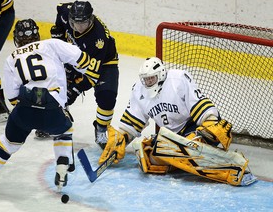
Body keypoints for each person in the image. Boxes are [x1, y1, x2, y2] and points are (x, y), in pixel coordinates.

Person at [98, 57, 256, 186]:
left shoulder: (178, 79)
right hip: (171, 138)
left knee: (193, 145)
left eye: (151, 78)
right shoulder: (139, 90)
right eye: (145, 79)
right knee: (147, 158)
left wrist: (211, 122)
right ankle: (181, 158)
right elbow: (132, 124)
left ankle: (231, 166)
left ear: (160, 75)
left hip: (194, 128)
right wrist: (120, 139)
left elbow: (201, 106)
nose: (148, 82)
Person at [0, 19, 91, 189]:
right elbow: (83, 59)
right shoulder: (51, 44)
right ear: (37, 34)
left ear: (16, 39)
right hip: (51, 109)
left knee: (9, 143)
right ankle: (62, 166)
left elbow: (12, 97)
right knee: (64, 130)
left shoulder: (11, 59)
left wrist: (22, 114)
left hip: (25, 110)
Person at [44, 0, 119, 149]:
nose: (78, 27)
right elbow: (60, 9)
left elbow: (92, 75)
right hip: (76, 56)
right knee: (56, 84)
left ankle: (101, 128)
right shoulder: (66, 12)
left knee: (107, 97)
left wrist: (76, 90)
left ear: (90, 19)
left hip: (104, 63)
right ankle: (52, 120)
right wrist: (58, 30)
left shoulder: (99, 39)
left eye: (83, 23)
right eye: (75, 23)